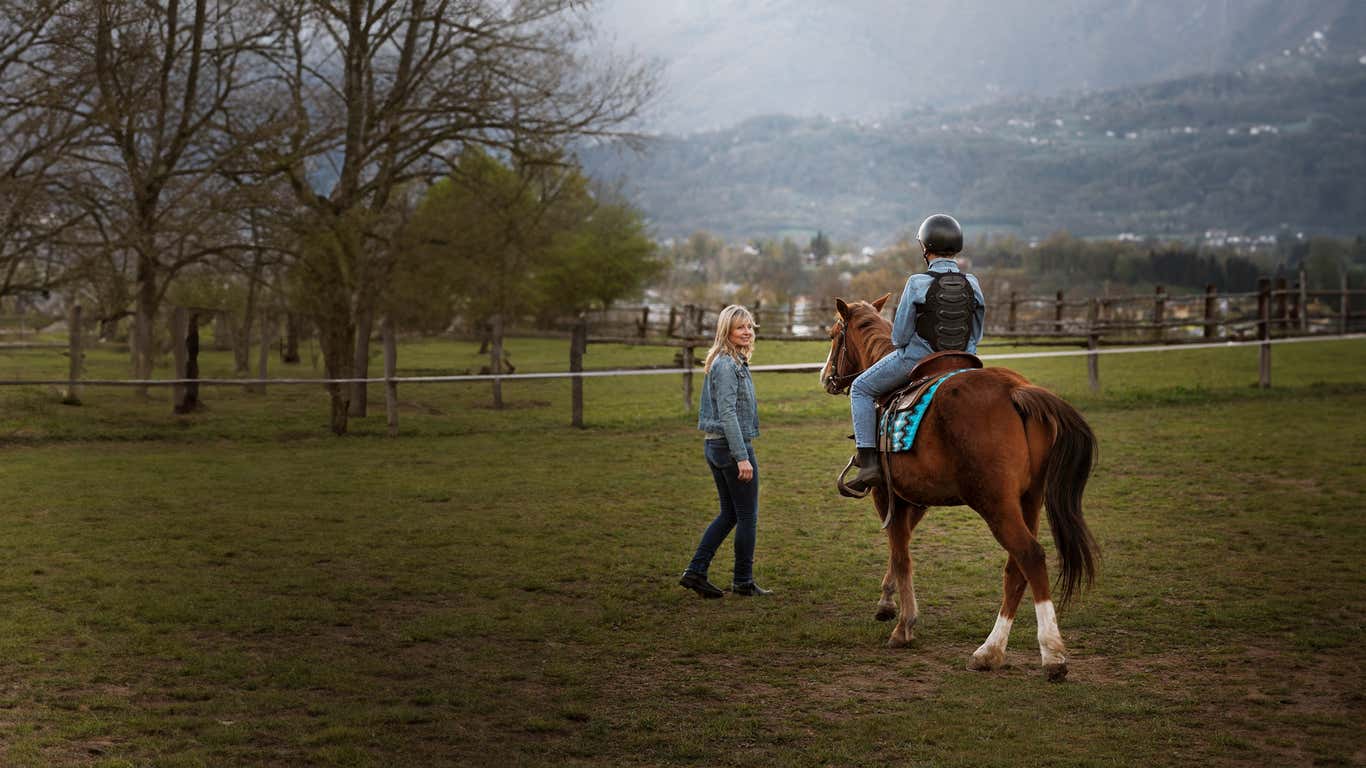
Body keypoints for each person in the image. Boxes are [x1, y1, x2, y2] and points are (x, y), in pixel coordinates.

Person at [846, 213, 986, 493]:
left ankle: (869, 463)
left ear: (925, 247)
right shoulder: (972, 283)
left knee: (860, 388)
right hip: (963, 363)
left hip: (918, 360)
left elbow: (898, 338)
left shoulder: (917, 282)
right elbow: (976, 333)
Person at [679, 304, 771, 598]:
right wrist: (742, 456)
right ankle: (743, 580)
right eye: (740, 327)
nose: (747, 332)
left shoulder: (730, 361)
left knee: (730, 513)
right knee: (746, 516)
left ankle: (696, 572)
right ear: (726, 331)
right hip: (730, 447)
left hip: (717, 445)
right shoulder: (727, 365)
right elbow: (728, 412)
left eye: (749, 326)